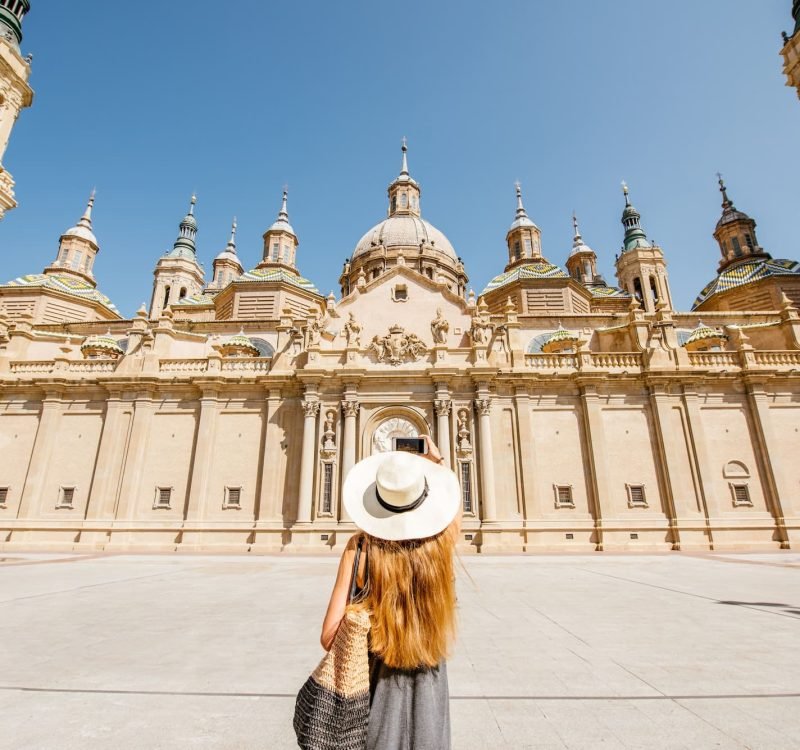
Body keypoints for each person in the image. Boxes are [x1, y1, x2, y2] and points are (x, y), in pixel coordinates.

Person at [319, 435, 460, 750]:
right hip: (430, 695)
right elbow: (453, 513)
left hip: (373, 692)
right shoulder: (441, 548)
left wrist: (370, 612)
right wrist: (438, 463)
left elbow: (329, 637)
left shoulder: (359, 551)